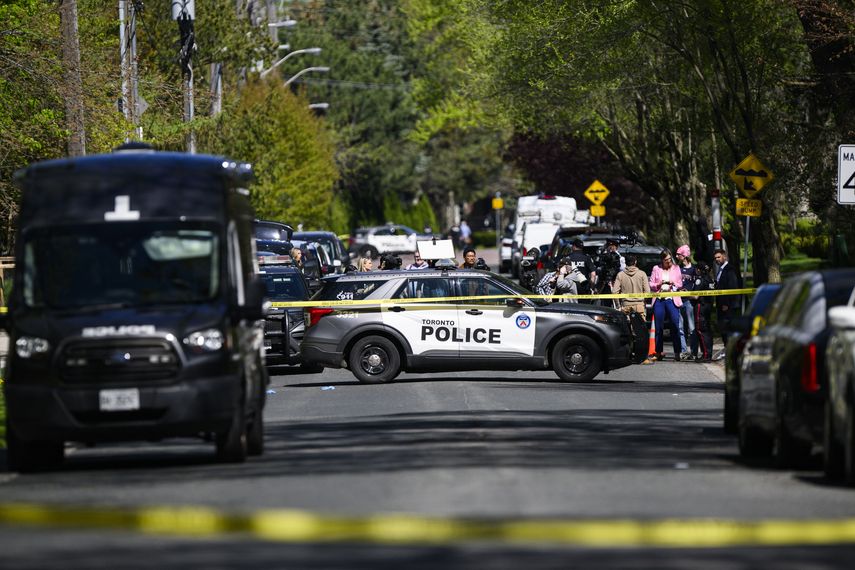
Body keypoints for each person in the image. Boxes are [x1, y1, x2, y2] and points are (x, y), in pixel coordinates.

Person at [612, 255, 652, 365]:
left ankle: (627, 355)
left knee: (627, 331)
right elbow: (647, 292)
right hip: (639, 306)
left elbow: (615, 292)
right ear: (635, 262)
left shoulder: (620, 275)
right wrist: (643, 300)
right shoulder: (642, 274)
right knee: (641, 333)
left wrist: (618, 305)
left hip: (625, 306)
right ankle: (642, 357)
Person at [649, 249, 684, 361]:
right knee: (659, 327)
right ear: (662, 260)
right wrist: (658, 284)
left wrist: (673, 284)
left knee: (675, 325)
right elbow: (651, 284)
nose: (669, 262)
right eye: (666, 260)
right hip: (659, 300)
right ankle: (658, 352)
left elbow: (680, 284)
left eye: (670, 259)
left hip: (672, 300)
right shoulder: (656, 268)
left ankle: (677, 352)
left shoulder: (676, 268)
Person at [714, 248, 740, 348]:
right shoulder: (720, 270)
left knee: (728, 329)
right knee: (723, 329)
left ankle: (730, 350)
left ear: (724, 256)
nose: (717, 259)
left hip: (728, 306)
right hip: (721, 305)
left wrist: (726, 304)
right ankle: (727, 349)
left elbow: (732, 287)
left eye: (719, 257)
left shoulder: (729, 269)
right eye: (715, 258)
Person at [675, 244, 696, 361]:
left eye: (679, 254)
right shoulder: (676, 268)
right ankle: (683, 351)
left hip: (689, 302)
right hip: (678, 300)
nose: (677, 256)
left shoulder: (693, 269)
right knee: (680, 328)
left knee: (692, 328)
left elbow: (697, 285)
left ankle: (693, 351)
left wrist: (689, 291)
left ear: (684, 255)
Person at [693, 261, 716, 362]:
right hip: (708, 306)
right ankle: (708, 354)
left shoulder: (700, 280)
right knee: (707, 330)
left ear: (698, 270)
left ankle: (706, 355)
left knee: (701, 330)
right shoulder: (710, 279)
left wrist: (684, 293)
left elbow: (695, 296)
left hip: (701, 307)